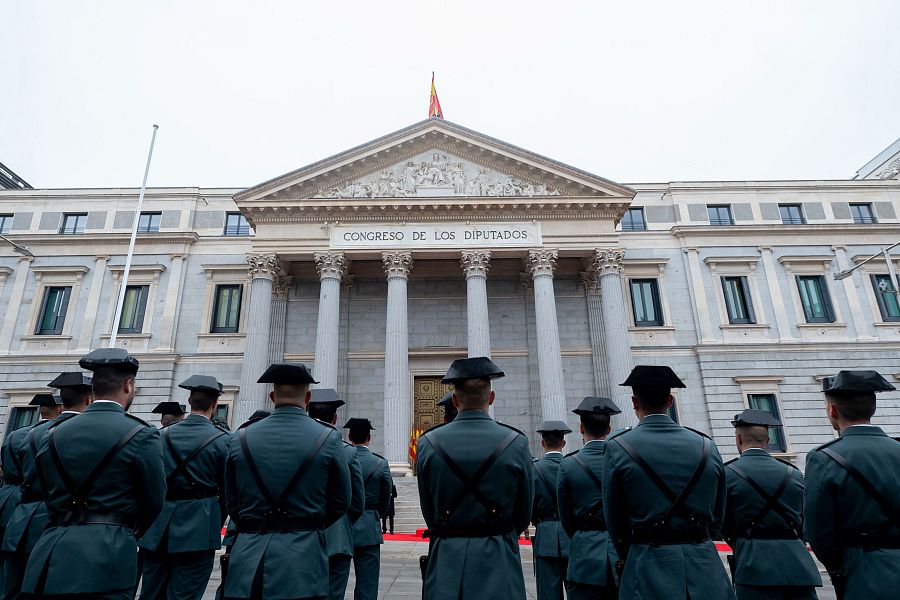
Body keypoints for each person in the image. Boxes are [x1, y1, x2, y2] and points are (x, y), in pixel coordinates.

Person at [22, 348, 166, 599]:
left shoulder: (53, 433)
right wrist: (126, 528)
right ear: (129, 385)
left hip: (53, 548)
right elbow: (154, 499)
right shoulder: (141, 434)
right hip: (109, 551)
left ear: (92, 391)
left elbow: (44, 486)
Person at [603, 365, 734, 600]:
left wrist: (630, 551)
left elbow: (615, 517)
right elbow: (719, 512)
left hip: (647, 563)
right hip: (703, 563)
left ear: (634, 402)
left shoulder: (618, 448)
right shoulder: (706, 445)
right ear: (671, 401)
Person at [222, 363, 351, 600]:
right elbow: (341, 500)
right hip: (303, 557)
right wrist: (310, 523)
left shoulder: (239, 438)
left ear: (272, 397)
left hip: (248, 557)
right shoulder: (328, 437)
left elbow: (232, 500)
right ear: (308, 397)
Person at [416, 357, 534, 600]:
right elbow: (524, 511)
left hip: (446, 558)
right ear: (491, 398)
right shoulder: (516, 443)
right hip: (498, 558)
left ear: (455, 400)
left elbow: (429, 509)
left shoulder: (428, 443)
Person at [805, 370, 900, 599]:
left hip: (864, 570)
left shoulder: (823, 457)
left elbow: (818, 531)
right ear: (873, 409)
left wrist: (841, 566)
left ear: (832, 410)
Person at [139, 375, 231, 600]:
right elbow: (229, 494)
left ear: (189, 401)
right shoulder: (224, 440)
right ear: (215, 404)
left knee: (151, 593)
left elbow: (146, 485)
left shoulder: (159, 436)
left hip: (158, 527)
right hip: (199, 525)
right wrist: (213, 518)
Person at [722, 409, 821, 599]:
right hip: (797, 563)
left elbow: (722, 521)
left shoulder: (728, 474)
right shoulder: (794, 474)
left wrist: (739, 542)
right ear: (767, 441)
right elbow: (805, 517)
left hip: (753, 563)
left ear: (738, 439)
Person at [0, 392, 64, 600]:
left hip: (9, 501)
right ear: (60, 409)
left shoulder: (16, 434)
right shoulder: (56, 434)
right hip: (34, 502)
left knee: (9, 570)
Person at [558, 398, 622, 599]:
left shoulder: (568, 465)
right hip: (621, 553)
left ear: (581, 428)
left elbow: (566, 517)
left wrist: (582, 536)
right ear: (609, 428)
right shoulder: (624, 460)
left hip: (585, 553)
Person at [307, 389, 364, 600]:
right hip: (338, 537)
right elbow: (356, 503)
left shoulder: (298, 446)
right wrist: (341, 524)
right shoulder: (348, 452)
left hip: (300, 538)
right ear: (335, 418)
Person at [215, 411, 270, 600]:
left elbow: (229, 493)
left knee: (232, 582)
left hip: (242, 527)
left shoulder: (240, 442)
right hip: (278, 531)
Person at [344, 418, 391, 600]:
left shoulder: (341, 459)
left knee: (335, 579)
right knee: (368, 583)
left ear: (349, 437)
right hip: (369, 525)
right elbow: (385, 499)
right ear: (369, 437)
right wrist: (373, 514)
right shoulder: (380, 463)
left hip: (343, 524)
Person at [530, 420, 573, 600]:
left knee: (548, 593)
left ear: (542, 442)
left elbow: (529, 504)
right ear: (563, 443)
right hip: (571, 536)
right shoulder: (575, 465)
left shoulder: (534, 468)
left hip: (545, 535)